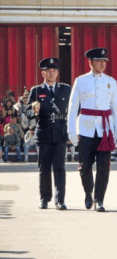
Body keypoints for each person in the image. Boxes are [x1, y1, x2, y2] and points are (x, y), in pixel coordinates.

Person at [68, 48, 117, 212]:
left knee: (104, 167)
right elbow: (72, 108)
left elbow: (116, 108)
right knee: (85, 166)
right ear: (90, 62)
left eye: (104, 61)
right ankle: (88, 193)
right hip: (85, 129)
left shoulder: (111, 82)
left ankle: (99, 199)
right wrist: (71, 131)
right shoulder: (81, 81)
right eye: (99, 61)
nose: (103, 64)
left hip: (105, 129)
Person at [28, 57, 71, 209]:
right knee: (44, 168)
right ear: (43, 73)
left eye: (54, 71)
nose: (52, 73)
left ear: (58, 72)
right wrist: (33, 111)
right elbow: (27, 111)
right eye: (49, 71)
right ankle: (44, 199)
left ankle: (60, 200)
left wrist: (72, 131)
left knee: (60, 167)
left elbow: (73, 110)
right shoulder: (37, 90)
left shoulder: (65, 89)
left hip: (60, 133)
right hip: (44, 132)